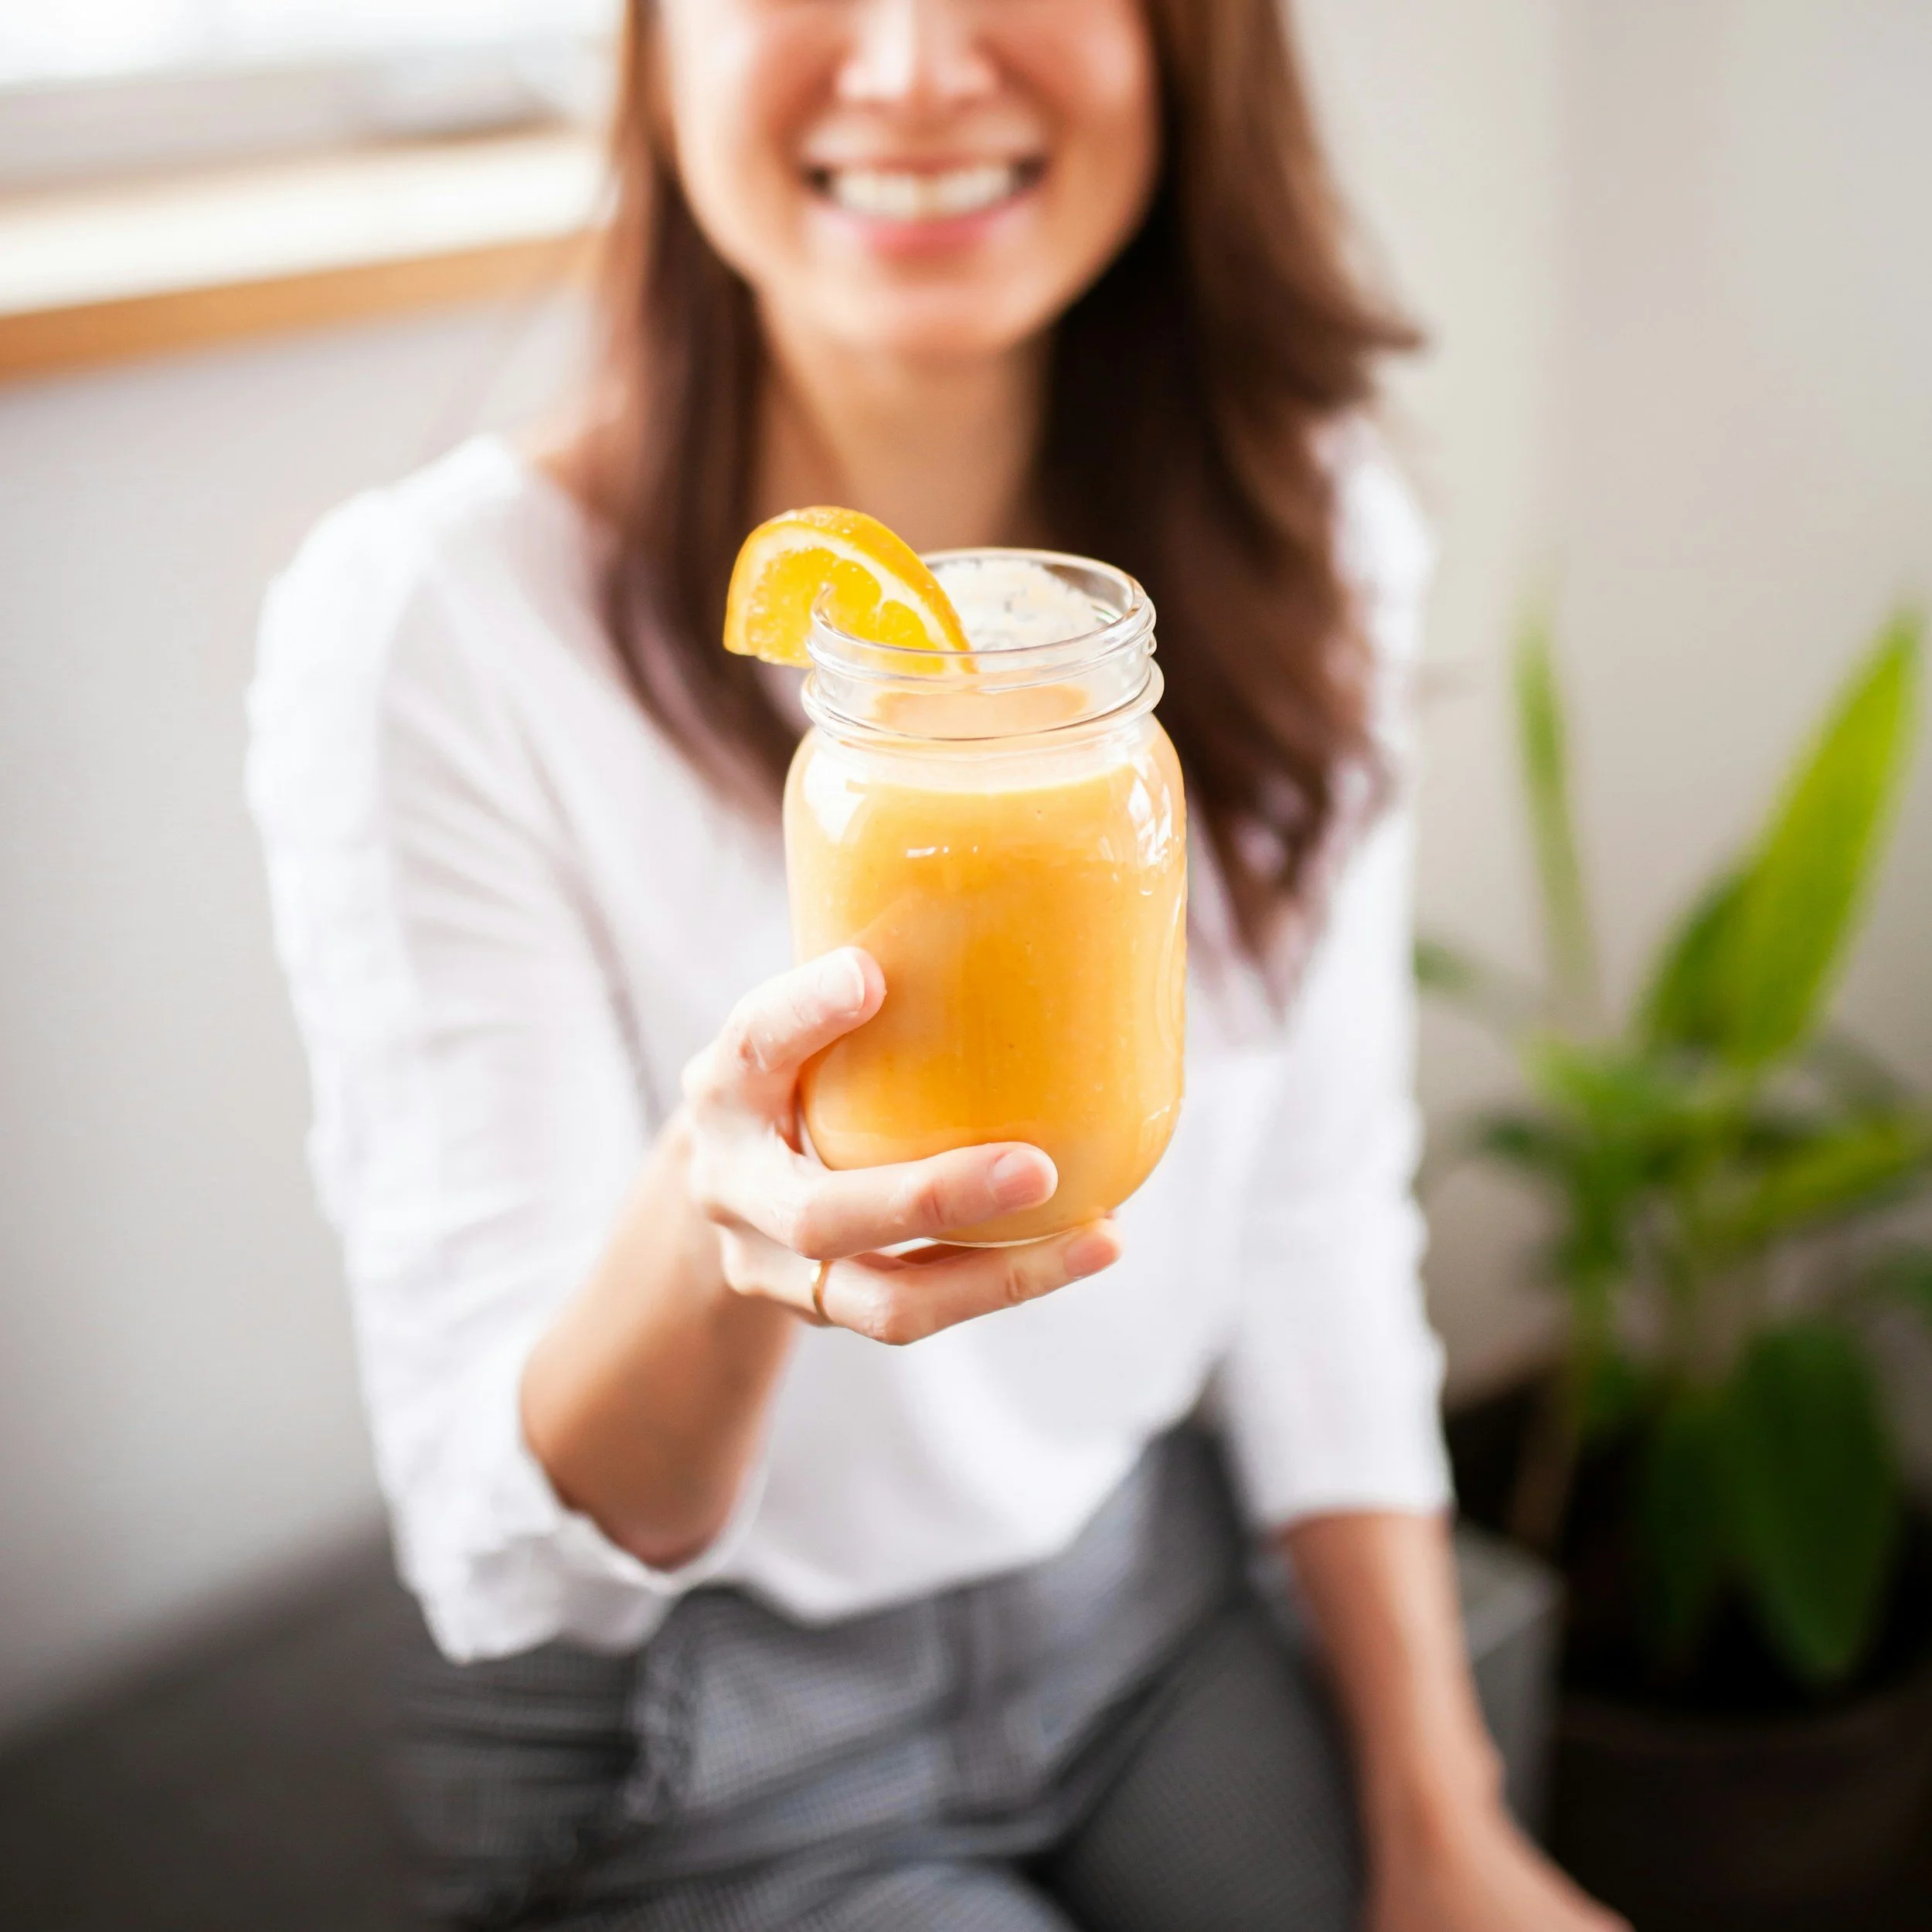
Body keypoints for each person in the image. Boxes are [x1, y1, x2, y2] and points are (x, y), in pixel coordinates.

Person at [248, 2, 1624, 1927]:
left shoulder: (1303, 519)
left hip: (1139, 1588)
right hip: (702, 1705)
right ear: (648, 50)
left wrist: (1442, 1809)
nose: (908, 64)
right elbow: (512, 1555)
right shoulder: (432, 629)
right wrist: (721, 1220)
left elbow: (1308, 1214)